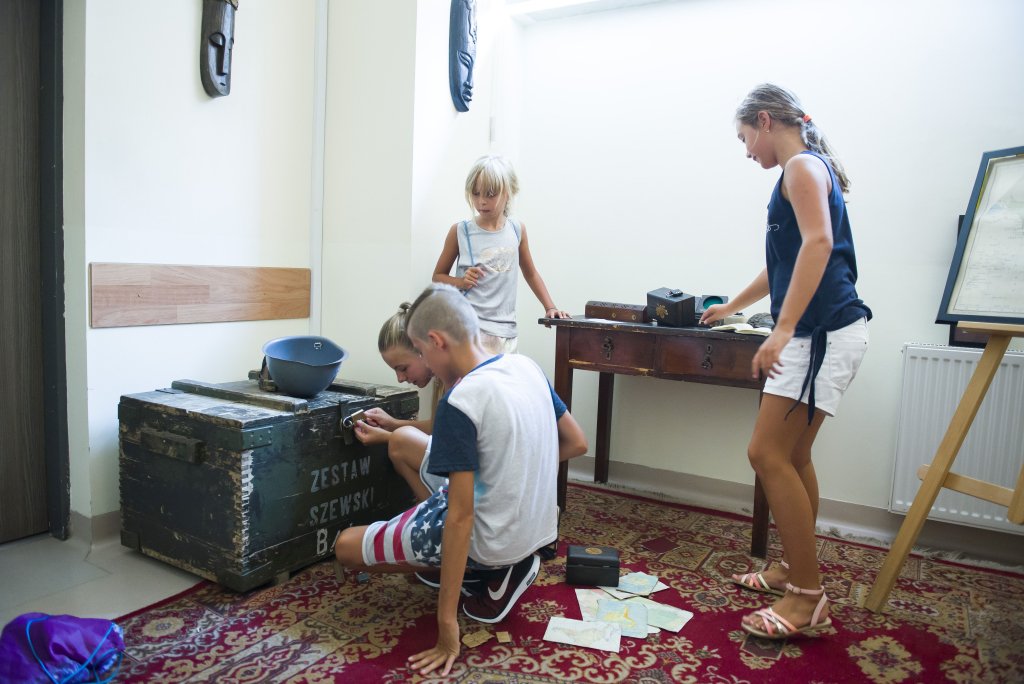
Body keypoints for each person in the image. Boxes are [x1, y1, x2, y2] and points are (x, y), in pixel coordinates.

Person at [334, 283, 588, 677]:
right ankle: (493, 568)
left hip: (491, 540)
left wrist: (446, 627)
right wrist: (514, 467)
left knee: (346, 546)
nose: (423, 364)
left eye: (421, 353)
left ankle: (483, 570)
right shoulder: (525, 367)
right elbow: (576, 442)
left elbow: (459, 518)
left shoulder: (461, 400)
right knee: (411, 450)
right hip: (536, 530)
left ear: (436, 341)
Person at [699, 84, 871, 640]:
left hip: (821, 335)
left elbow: (818, 245)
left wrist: (785, 328)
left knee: (765, 452)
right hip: (822, 333)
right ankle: (793, 571)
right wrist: (733, 305)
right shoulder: (799, 171)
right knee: (793, 456)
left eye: (745, 138)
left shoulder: (801, 167)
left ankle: (807, 598)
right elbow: (785, 263)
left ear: (766, 120)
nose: (746, 150)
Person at [431, 155, 570, 354]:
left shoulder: (516, 230)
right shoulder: (461, 231)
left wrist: (550, 307)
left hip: (507, 333)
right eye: (476, 193)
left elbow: (530, 273)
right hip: (469, 330)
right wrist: (461, 282)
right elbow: (437, 277)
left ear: (508, 192)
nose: (481, 201)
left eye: (490, 194)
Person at [352, 303, 443, 503]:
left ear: (423, 349)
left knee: (398, 446)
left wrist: (389, 436)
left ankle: (436, 511)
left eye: (403, 368)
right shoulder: (442, 379)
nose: (400, 379)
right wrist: (393, 424)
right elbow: (439, 427)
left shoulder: (454, 381)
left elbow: (447, 440)